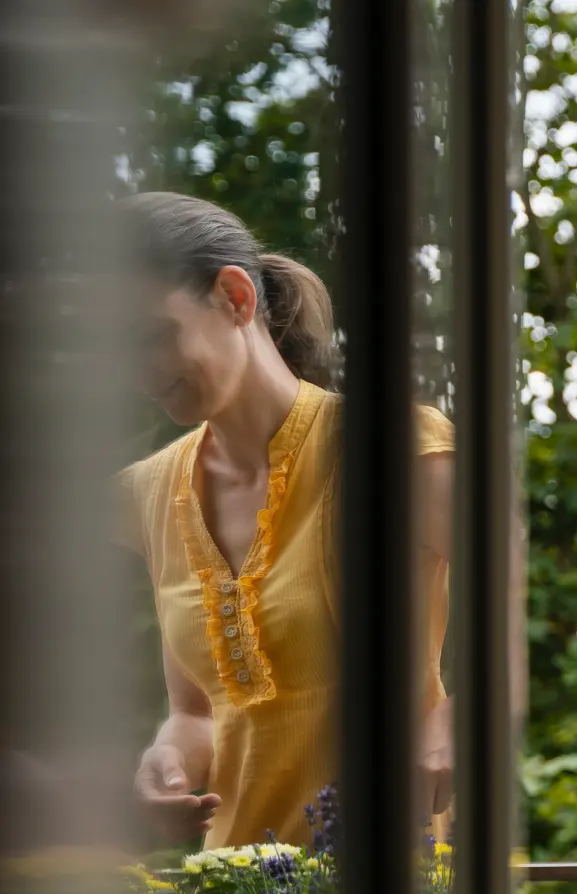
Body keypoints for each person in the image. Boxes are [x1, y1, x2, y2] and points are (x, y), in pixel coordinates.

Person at [119, 192, 456, 848]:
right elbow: (196, 713)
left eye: (151, 337)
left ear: (235, 298)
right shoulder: (151, 493)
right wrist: (166, 762)